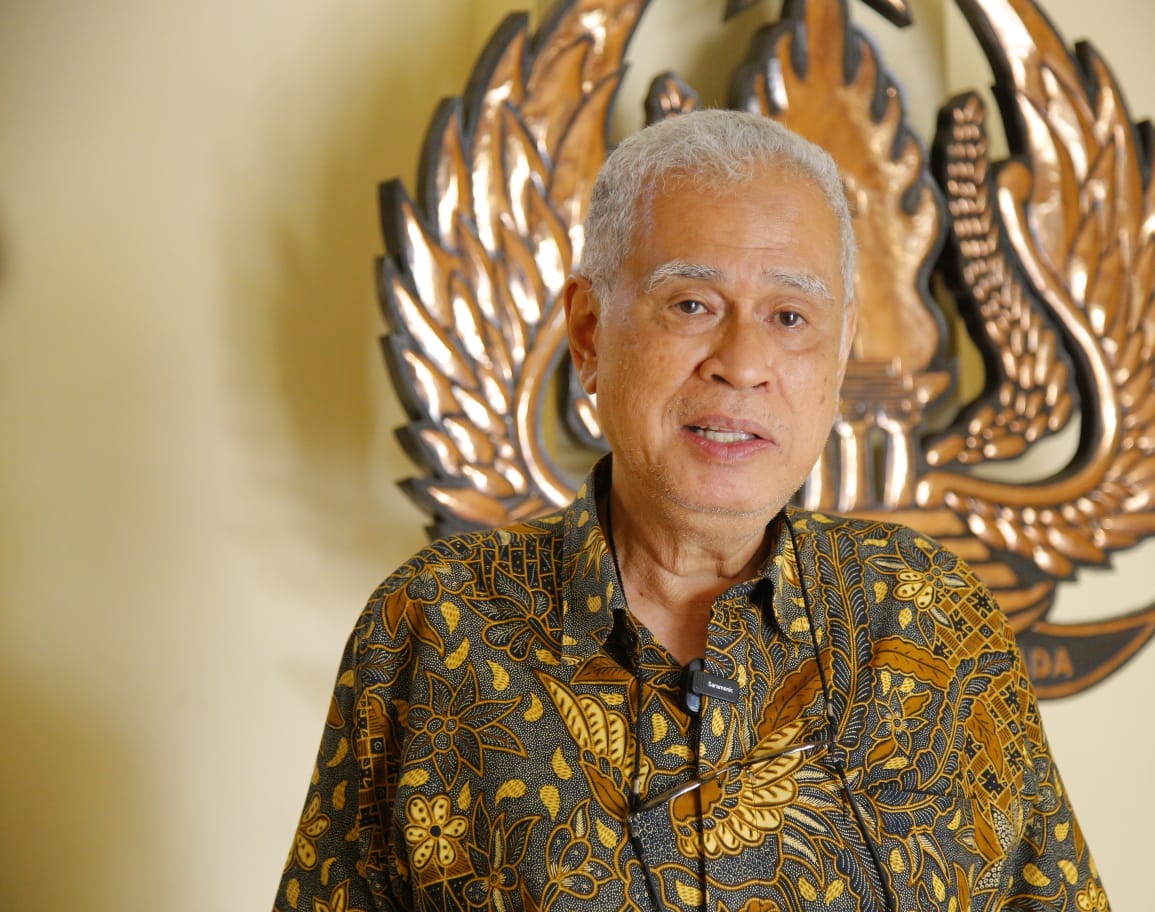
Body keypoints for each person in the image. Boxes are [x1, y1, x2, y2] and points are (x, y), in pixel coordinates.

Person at [276, 110, 1107, 912]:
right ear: (589, 332)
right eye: (691, 305)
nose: (743, 363)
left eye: (790, 317)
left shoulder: (935, 618)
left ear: (839, 350)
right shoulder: (434, 626)